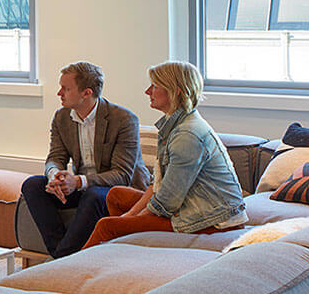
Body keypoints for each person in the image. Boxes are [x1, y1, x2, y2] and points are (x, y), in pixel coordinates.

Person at [82, 60, 247, 249]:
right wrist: (130, 218)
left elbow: (168, 201)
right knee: (116, 195)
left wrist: (128, 222)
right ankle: (125, 250)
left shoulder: (187, 135)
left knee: (107, 226)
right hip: (192, 204)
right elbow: (158, 183)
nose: (147, 91)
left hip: (213, 219)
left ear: (175, 90)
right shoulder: (175, 125)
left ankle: (73, 269)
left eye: (155, 86)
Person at [20, 61, 152, 258]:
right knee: (33, 185)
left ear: (86, 93)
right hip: (82, 187)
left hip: (115, 191)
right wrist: (55, 176)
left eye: (65, 88)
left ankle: (60, 259)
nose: (59, 93)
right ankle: (61, 253)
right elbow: (55, 157)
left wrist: (78, 181)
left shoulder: (123, 119)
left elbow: (122, 175)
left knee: (93, 195)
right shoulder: (61, 117)